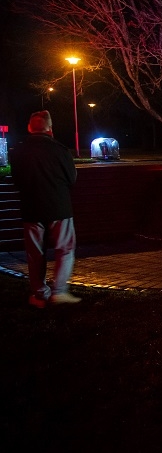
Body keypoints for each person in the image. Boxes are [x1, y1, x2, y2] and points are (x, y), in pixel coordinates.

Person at [10, 110, 81, 308]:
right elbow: (72, 178)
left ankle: (39, 294)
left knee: (35, 253)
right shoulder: (60, 150)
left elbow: (16, 181)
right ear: (50, 129)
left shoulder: (18, 151)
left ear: (29, 128)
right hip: (59, 207)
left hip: (31, 207)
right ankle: (59, 291)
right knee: (65, 249)